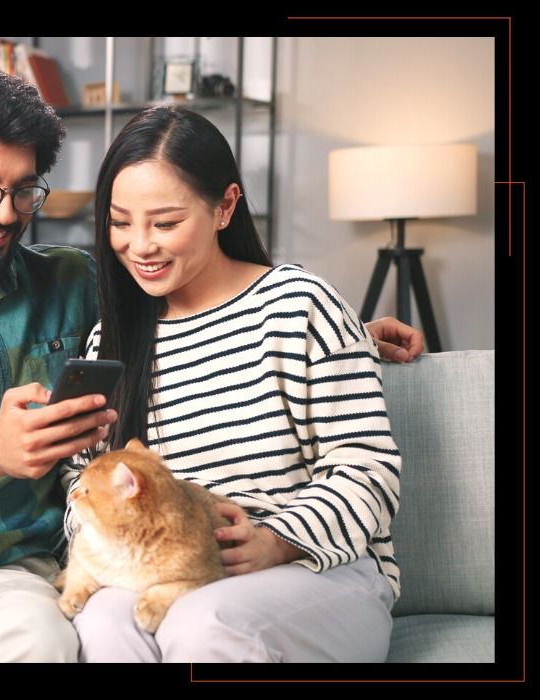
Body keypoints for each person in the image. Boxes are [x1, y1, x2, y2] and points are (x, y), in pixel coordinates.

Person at [0, 57, 421, 663]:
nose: (5, 214)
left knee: (67, 642)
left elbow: (226, 315)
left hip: (7, 572)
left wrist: (349, 337)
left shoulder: (76, 288)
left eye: (23, 191)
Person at [63, 105, 403, 663]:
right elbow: (83, 482)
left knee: (202, 623)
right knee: (99, 621)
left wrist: (277, 540)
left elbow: (368, 467)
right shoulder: (114, 339)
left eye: (166, 223)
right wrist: (115, 539)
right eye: (121, 222)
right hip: (167, 566)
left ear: (225, 208)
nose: (140, 245)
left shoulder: (298, 306)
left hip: (317, 568)